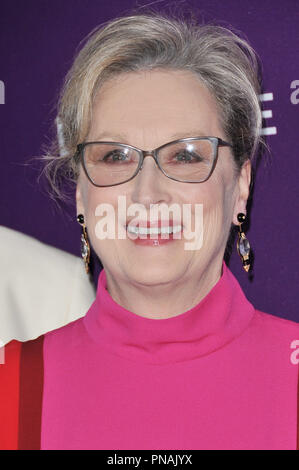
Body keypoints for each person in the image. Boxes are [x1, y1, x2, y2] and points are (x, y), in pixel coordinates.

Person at [1, 12, 298, 450]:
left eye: (185, 156)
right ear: (82, 193)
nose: (147, 194)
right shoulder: (11, 386)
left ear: (241, 187)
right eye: (116, 156)